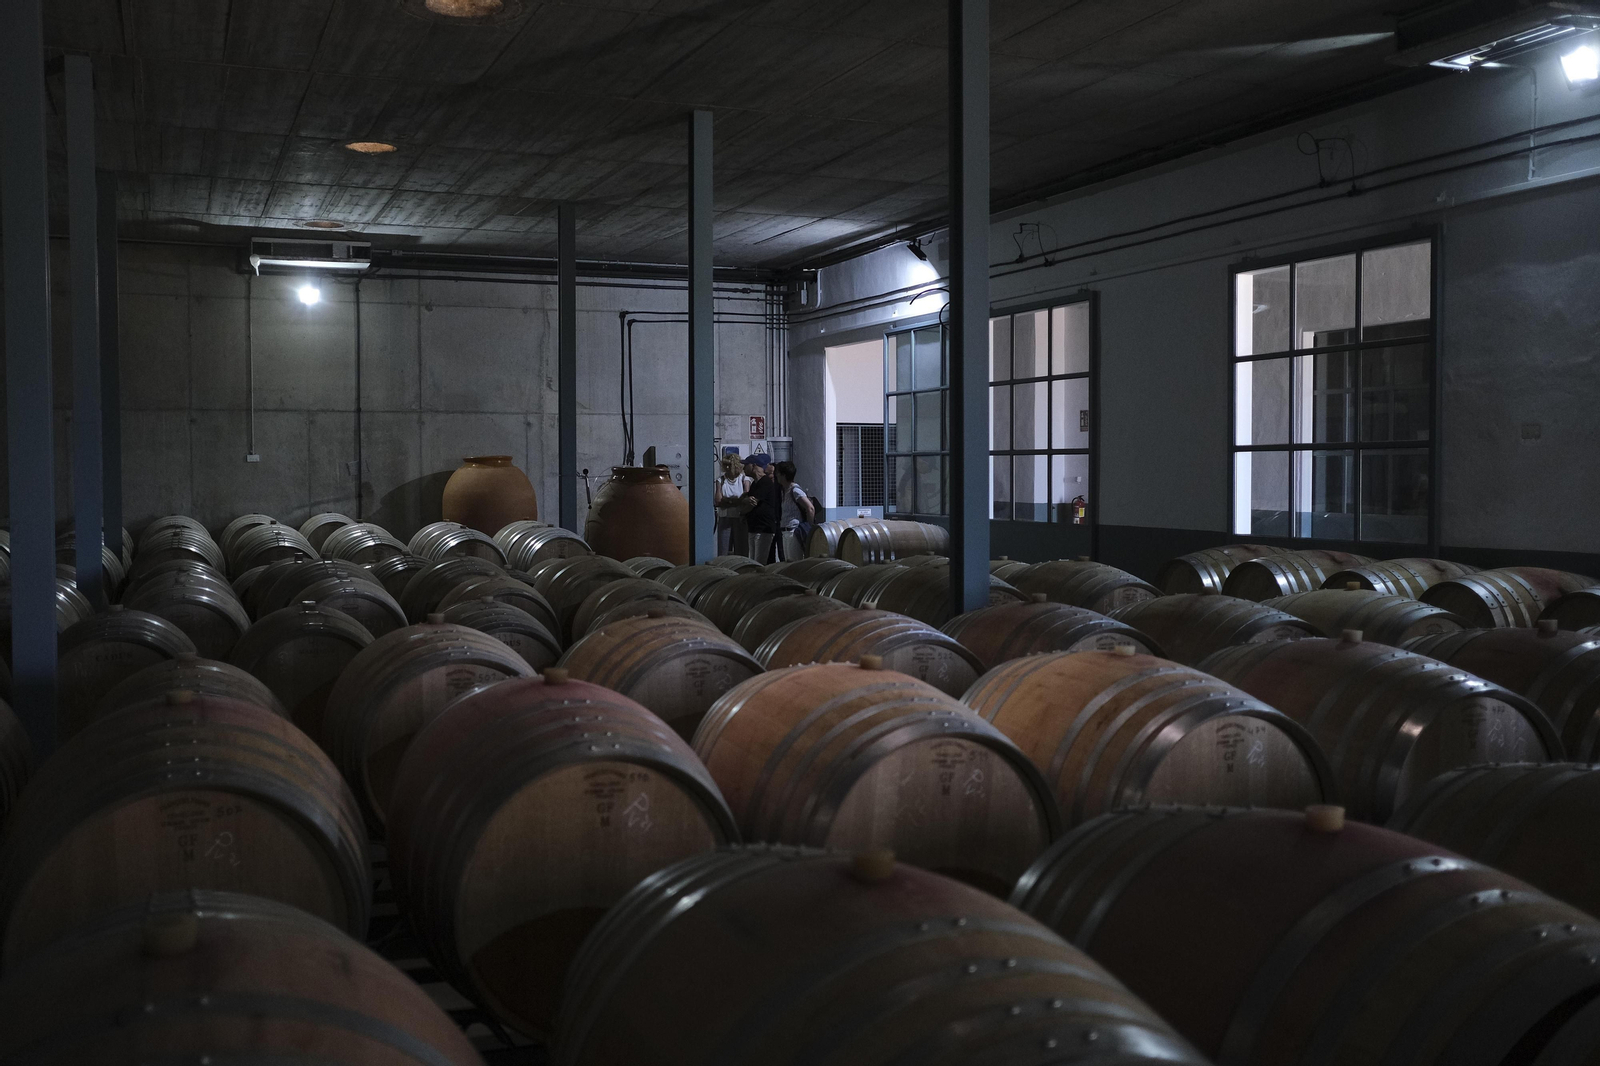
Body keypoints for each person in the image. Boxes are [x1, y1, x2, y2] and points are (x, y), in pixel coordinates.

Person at [739, 454, 782, 564]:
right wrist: (745, 500)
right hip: (754, 527)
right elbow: (748, 501)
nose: (743, 468)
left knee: (759, 562)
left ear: (753, 466)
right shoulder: (754, 484)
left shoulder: (765, 482)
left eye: (746, 465)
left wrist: (742, 510)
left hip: (763, 529)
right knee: (752, 560)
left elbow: (751, 503)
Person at [774, 460, 815, 561]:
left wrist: (809, 527)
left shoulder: (795, 490)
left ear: (784, 475)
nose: (776, 476)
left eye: (778, 473)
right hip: (785, 530)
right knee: (787, 561)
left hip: (794, 530)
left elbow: (810, 508)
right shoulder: (784, 490)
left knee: (794, 561)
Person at [713, 453, 751, 556]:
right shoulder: (720, 480)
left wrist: (728, 501)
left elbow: (745, 498)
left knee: (741, 548)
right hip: (725, 517)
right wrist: (736, 501)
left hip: (739, 517)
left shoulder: (744, 479)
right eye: (725, 465)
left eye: (730, 465)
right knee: (723, 549)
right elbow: (718, 501)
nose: (728, 468)